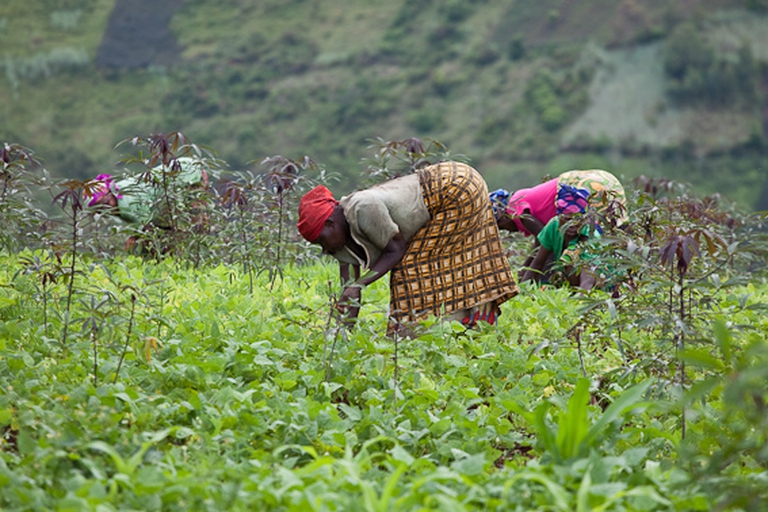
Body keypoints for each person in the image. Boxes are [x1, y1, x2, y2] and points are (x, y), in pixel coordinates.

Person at [297, 161, 519, 335]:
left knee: (409, 271)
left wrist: (361, 283)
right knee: (462, 263)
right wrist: (341, 334)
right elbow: (350, 293)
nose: (324, 250)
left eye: (321, 242)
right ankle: (467, 326)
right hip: (456, 184)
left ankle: (414, 338)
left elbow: (395, 250)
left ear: (330, 224)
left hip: (456, 189)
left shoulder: (362, 207)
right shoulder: (342, 241)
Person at [85, 157, 210, 251]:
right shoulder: (120, 201)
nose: (107, 209)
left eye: (106, 203)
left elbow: (145, 221)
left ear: (111, 193)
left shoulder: (128, 200)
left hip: (187, 175)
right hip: (171, 196)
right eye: (100, 210)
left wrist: (134, 238)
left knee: (192, 228)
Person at [490, 169, 627, 237]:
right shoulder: (520, 198)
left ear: (501, 217)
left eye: (501, 227)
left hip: (582, 186)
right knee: (616, 230)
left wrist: (526, 274)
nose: (507, 231)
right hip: (604, 179)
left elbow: (545, 243)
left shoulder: (516, 208)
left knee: (596, 236)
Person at [519, 185, 605, 290]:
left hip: (599, 281)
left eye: (578, 219)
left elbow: (588, 279)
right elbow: (538, 263)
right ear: (559, 217)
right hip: (568, 279)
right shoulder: (553, 226)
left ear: (585, 219)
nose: (572, 224)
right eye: (567, 219)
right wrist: (522, 291)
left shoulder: (590, 235)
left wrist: (580, 300)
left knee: (570, 255)